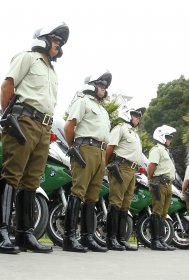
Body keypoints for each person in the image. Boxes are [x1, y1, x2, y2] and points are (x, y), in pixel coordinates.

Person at [0, 22, 69, 254]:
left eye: (59, 41)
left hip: (43, 128)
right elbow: (8, 86)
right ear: (42, 39)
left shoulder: (52, 71)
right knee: (12, 174)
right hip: (24, 121)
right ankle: (1, 231)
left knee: (31, 182)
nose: (58, 44)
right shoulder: (28, 57)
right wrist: (8, 117)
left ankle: (24, 234)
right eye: (55, 39)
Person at [62, 71, 112, 253]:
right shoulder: (82, 101)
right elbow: (69, 126)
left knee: (92, 196)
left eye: (105, 86)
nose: (104, 88)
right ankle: (69, 238)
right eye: (100, 85)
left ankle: (88, 237)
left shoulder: (103, 110)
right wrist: (73, 147)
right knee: (78, 192)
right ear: (91, 85)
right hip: (85, 148)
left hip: (99, 152)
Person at [105, 108, 143, 251]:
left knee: (125, 204)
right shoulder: (120, 128)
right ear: (128, 115)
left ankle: (121, 239)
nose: (138, 118)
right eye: (136, 116)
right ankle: (111, 239)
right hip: (121, 167)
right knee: (116, 202)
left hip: (132, 171)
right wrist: (105, 166)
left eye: (139, 116)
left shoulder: (134, 133)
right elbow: (110, 148)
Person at [147, 125, 177, 251]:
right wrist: (151, 180)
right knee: (157, 212)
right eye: (168, 137)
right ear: (162, 137)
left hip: (168, 184)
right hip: (159, 183)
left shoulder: (165, 151)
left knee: (163, 214)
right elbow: (151, 166)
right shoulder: (157, 149)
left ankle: (161, 240)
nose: (170, 139)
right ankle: (155, 241)